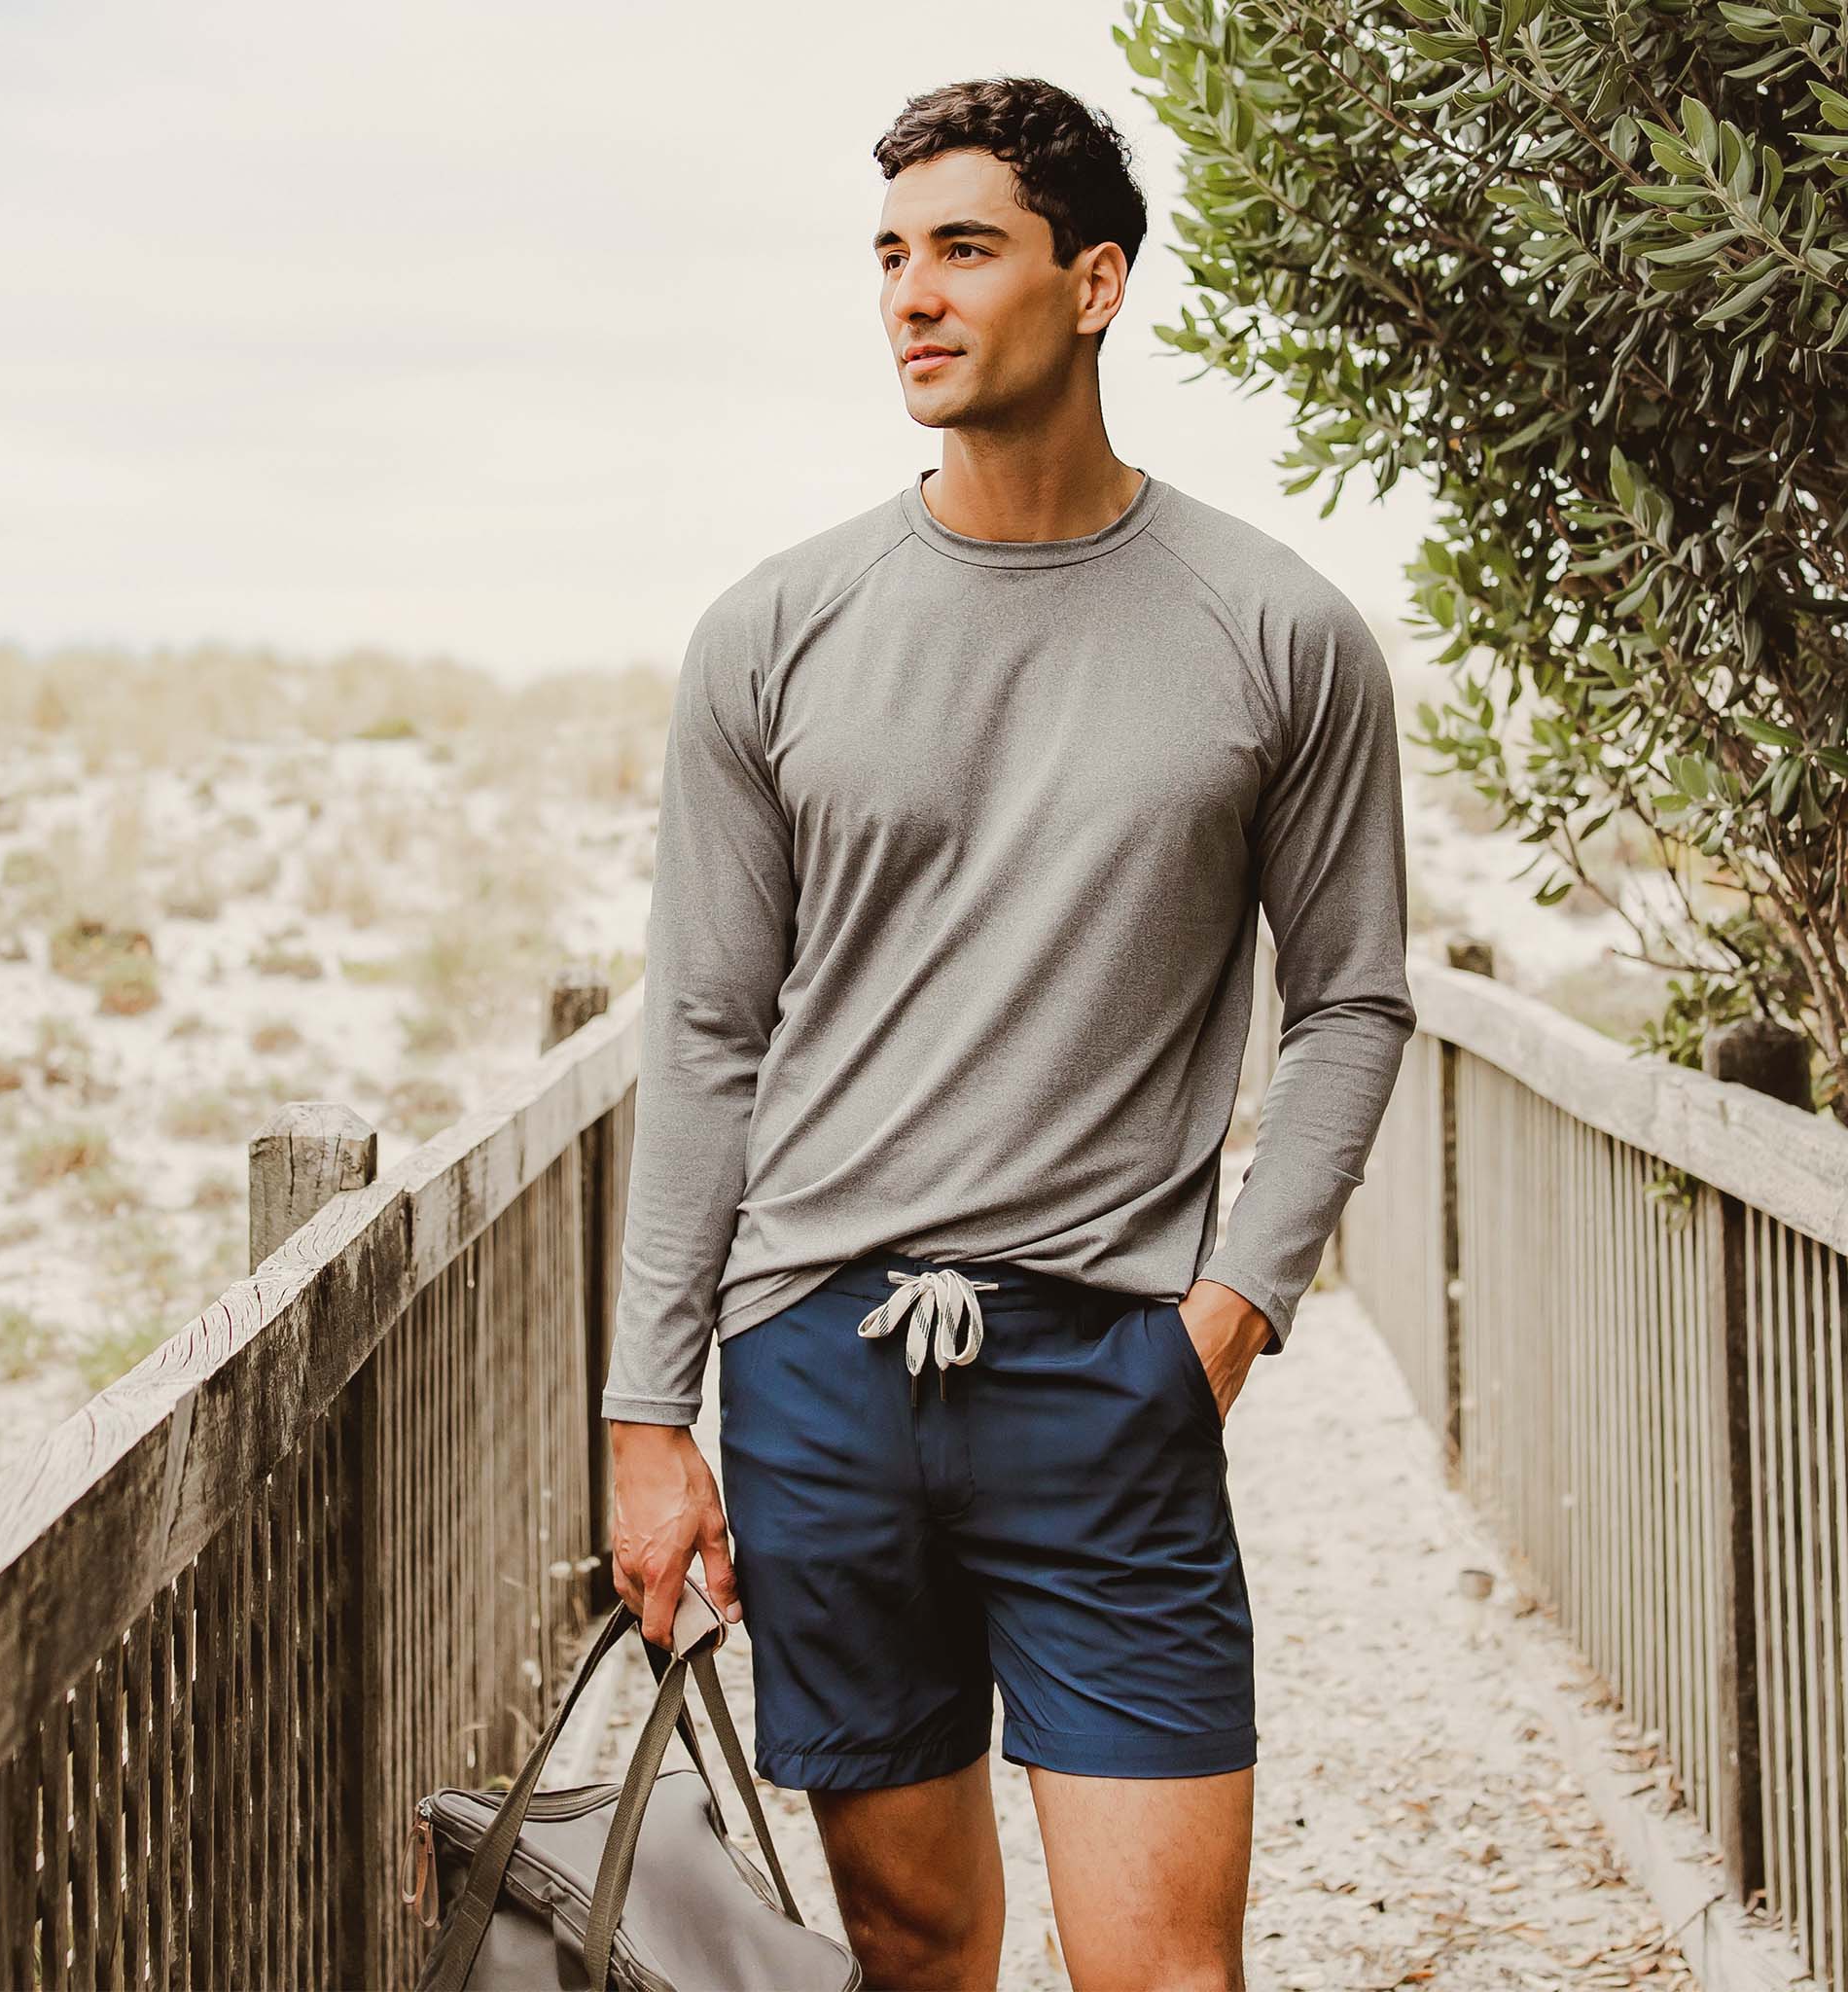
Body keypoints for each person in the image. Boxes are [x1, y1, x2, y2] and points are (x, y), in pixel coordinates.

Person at [599, 74, 1416, 1992]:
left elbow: (1354, 997)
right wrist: (651, 1419)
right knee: (915, 1943)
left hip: (1110, 1377)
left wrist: (1229, 1317)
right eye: (891, 255)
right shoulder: (772, 633)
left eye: (965, 249)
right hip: (821, 1372)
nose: (914, 295)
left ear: (1096, 281)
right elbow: (705, 1030)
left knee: (1162, 1969)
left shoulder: (1276, 631)